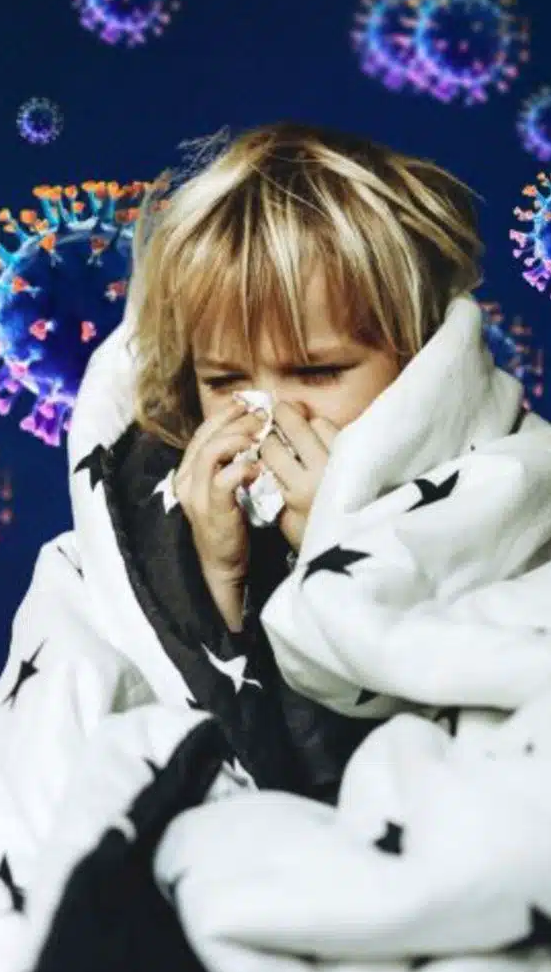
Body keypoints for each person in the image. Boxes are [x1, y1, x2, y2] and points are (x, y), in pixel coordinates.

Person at [105, 120, 505, 802]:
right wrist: (215, 576)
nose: (269, 413)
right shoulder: (171, 500)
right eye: (225, 381)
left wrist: (342, 550)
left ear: (420, 359)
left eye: (317, 373)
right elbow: (227, 762)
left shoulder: (497, 487)